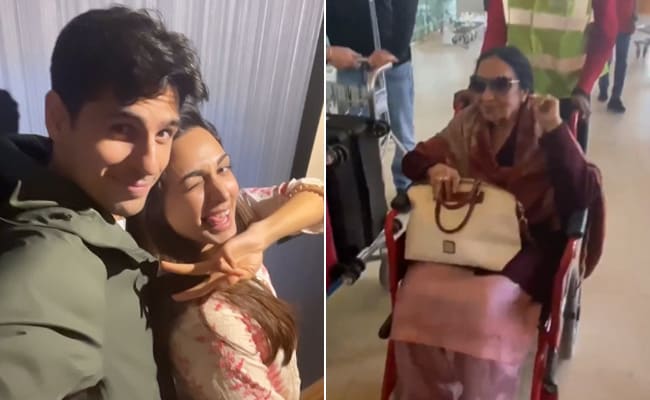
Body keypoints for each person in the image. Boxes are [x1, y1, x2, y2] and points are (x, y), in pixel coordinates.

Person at [0, 6, 208, 399]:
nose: (150, 164)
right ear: (57, 117)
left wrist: (255, 237)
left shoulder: (77, 182)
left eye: (164, 133)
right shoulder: (52, 261)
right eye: (122, 129)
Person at [390, 46, 605, 399]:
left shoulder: (544, 126)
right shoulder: (468, 122)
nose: (487, 96)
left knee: (486, 305)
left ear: (525, 91)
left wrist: (555, 129)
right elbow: (414, 160)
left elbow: (580, 196)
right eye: (479, 85)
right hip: (469, 236)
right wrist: (435, 167)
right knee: (415, 292)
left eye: (501, 85)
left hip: (530, 241)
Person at [128, 103, 324, 399]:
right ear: (156, 207)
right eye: (194, 184)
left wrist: (260, 235)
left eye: (223, 168)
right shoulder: (211, 325)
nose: (222, 193)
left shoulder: (236, 215)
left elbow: (315, 195)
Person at [481, 0, 618, 150]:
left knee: (566, 160)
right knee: (513, 158)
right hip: (517, 92)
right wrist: (481, 83)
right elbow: (496, 29)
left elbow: (606, 33)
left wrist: (584, 87)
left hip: (568, 95)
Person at [326, 0, 419, 208]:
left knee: (401, 130)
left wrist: (394, 50)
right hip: (350, 63)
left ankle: (406, 185)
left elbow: (407, 6)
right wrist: (330, 52)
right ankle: (365, 195)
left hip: (392, 63)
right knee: (354, 134)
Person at [598, 0, 637, 113]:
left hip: (625, 23)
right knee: (606, 59)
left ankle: (615, 97)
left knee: (621, 62)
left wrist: (634, 14)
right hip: (607, 22)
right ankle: (603, 87)